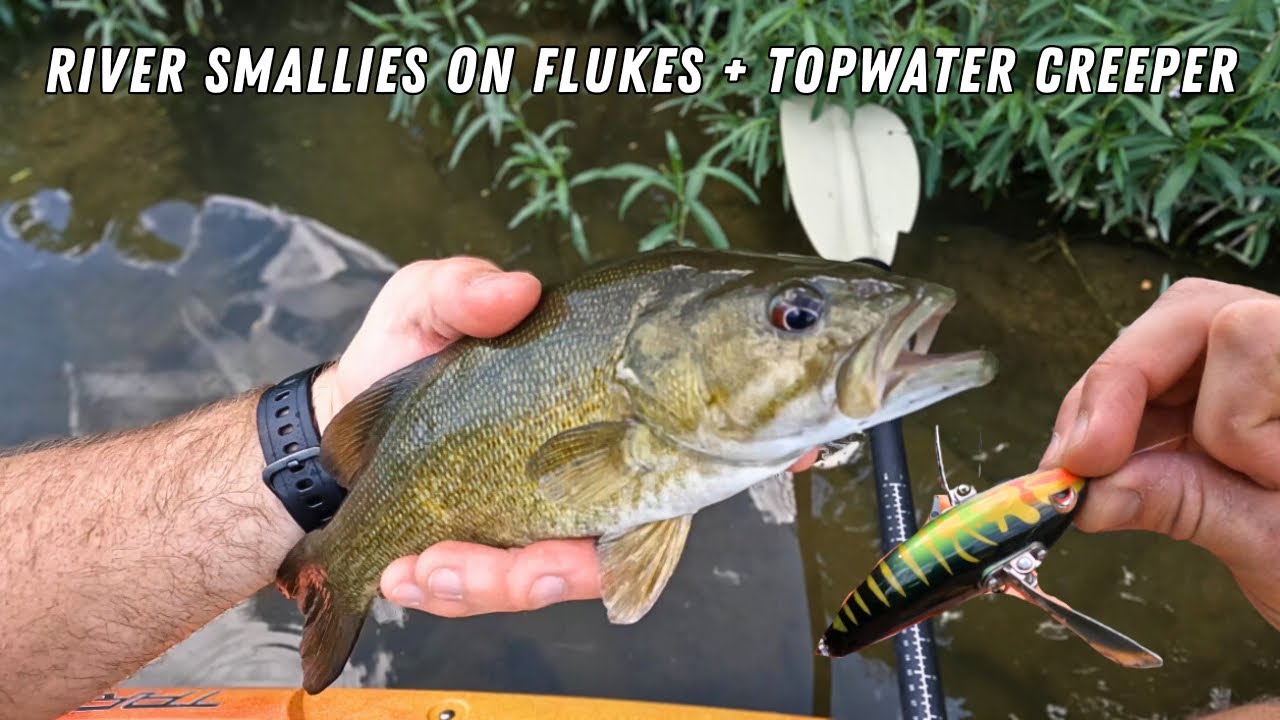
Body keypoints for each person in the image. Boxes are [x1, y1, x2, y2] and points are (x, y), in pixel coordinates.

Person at [0, 259, 1274, 719]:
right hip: (400, 475)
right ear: (666, 356)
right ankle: (329, 588)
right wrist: (323, 462)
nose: (811, 325)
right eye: (794, 315)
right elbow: (400, 433)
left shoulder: (681, 424)